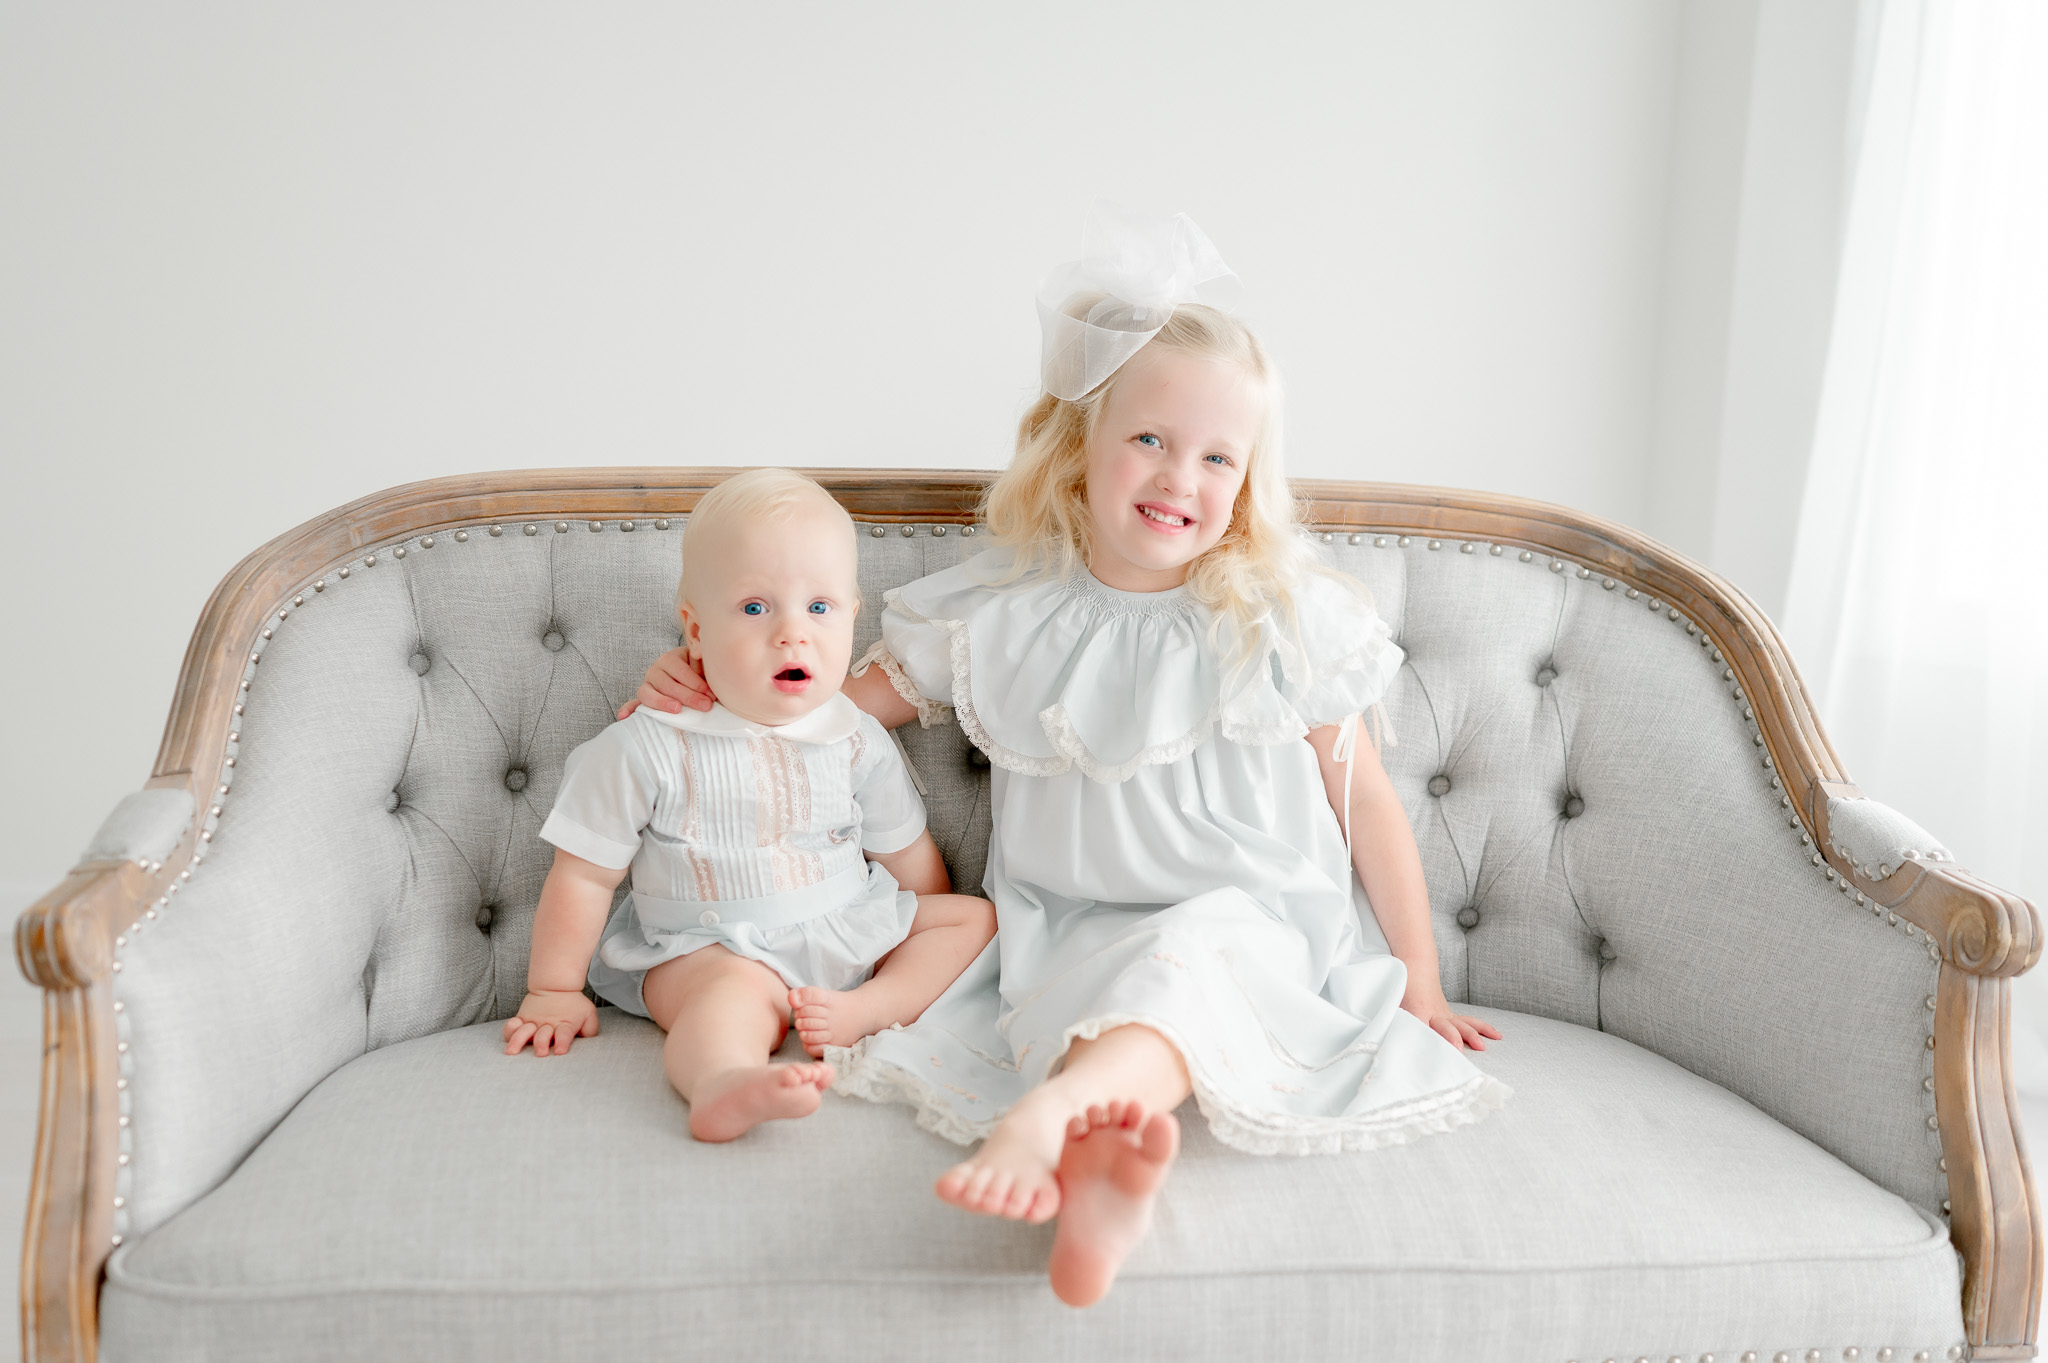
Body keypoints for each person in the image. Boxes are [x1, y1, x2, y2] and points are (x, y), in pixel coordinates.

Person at [625, 209, 1508, 1302]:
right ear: (1077, 443)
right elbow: (820, 714)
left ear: (1244, 481)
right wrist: (704, 687)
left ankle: (1046, 1123)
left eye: (1215, 456)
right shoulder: (1005, 613)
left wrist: (1416, 979)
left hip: (1251, 924)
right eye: (1147, 438)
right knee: (1113, 996)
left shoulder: (1275, 620)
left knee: (1186, 962)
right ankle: (1105, 1177)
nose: (1178, 476)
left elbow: (1363, 802)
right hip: (1062, 930)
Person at [505, 468, 996, 1144]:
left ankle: (864, 1010)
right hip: (712, 944)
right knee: (726, 1003)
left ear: (853, 617)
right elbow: (584, 873)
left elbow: (905, 851)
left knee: (971, 920)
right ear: (696, 630)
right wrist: (554, 988)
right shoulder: (646, 744)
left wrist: (901, 935)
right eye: (756, 608)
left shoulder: (854, 735)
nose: (792, 634)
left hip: (844, 928)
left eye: (819, 607)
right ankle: (722, 1081)